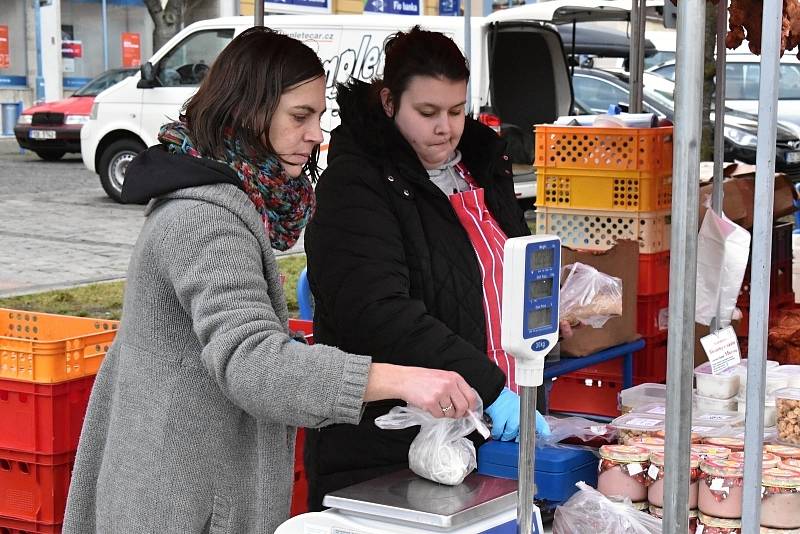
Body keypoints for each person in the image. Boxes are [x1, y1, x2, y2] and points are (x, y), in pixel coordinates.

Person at [62, 27, 477, 534]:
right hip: (178, 504)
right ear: (247, 113)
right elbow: (252, 364)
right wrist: (404, 379)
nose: (316, 135)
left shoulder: (225, 201)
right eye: (299, 117)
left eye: (319, 117)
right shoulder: (206, 218)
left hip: (196, 488)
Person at [303, 26, 558, 511]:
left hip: (489, 435)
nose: (445, 127)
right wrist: (488, 386)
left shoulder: (481, 164)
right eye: (427, 112)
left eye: (456, 111)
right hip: (389, 448)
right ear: (388, 101)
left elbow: (505, 261)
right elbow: (376, 311)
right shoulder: (357, 184)